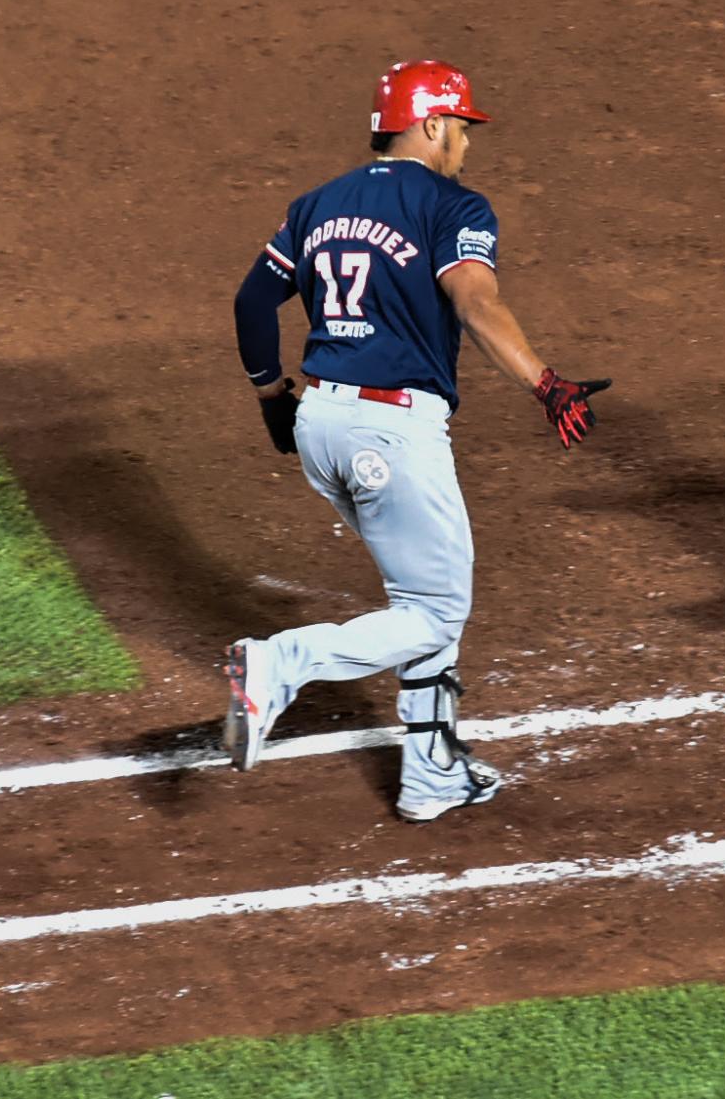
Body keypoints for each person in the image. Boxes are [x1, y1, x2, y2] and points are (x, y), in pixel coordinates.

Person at [227, 59, 609, 822]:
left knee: (423, 592)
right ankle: (280, 665)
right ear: (432, 123)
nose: (466, 143)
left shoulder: (317, 204)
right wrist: (545, 383)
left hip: (322, 426)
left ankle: (430, 771)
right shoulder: (451, 204)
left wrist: (272, 392)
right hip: (390, 430)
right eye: (462, 127)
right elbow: (476, 302)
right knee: (435, 610)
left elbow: (252, 300)